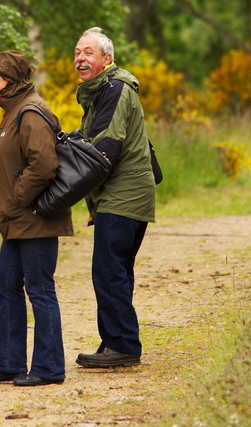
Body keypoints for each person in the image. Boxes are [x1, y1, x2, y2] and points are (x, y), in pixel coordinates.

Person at [0, 50, 74, 387]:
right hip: (17, 221)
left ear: (10, 78)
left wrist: (19, 197)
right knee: (6, 284)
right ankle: (10, 362)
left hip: (34, 218)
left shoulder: (30, 112)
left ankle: (49, 368)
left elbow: (44, 165)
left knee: (39, 289)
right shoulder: (13, 112)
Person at [72, 27, 156, 368]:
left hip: (125, 193)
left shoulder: (115, 88)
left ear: (107, 59)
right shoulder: (102, 91)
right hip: (123, 193)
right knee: (116, 270)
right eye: (77, 53)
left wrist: (65, 176)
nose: (80, 58)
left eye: (88, 52)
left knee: (109, 270)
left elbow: (105, 145)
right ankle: (115, 341)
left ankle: (122, 345)